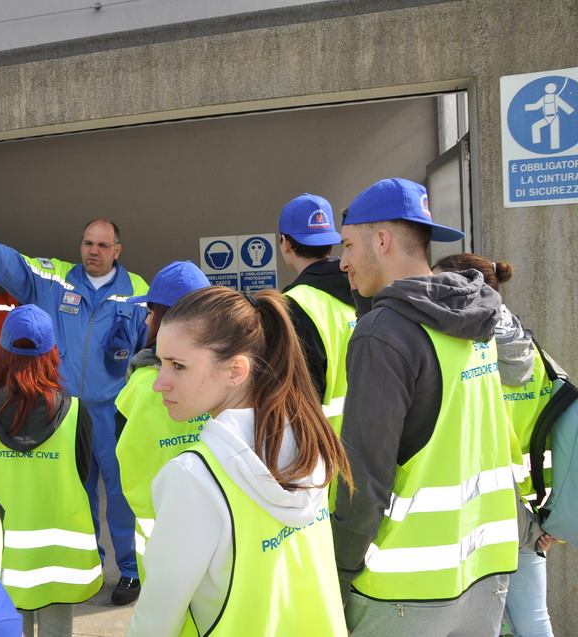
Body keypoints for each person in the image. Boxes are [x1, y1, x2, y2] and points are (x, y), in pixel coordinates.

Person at [333, 178, 519, 636]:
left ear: (382, 240)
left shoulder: (384, 332)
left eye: (348, 245)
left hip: (402, 588)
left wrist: (337, 573)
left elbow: (365, 478)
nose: (342, 261)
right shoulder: (476, 314)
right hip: (484, 570)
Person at [0, 203, 149, 604]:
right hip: (64, 413)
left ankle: (130, 572)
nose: (94, 251)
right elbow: (14, 265)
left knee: (122, 494)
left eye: (103, 245)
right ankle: (89, 564)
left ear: (117, 250)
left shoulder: (137, 290)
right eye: (88, 243)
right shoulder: (55, 279)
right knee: (77, 493)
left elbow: (148, 344)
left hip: (114, 412)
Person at [128, 286, 350, 636]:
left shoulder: (193, 476)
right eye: (161, 363)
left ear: (236, 371)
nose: (159, 384)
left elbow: (157, 618)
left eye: (178, 366)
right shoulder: (312, 443)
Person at [433, 253, 557, 637]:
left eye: (438, 283)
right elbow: (553, 434)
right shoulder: (532, 351)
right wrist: (550, 514)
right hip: (526, 514)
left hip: (475, 512)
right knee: (533, 621)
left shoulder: (464, 351)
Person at [0, 304, 99, 637]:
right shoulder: (75, 412)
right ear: (52, 355)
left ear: (1, 355)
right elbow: (83, 474)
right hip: (60, 561)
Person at [114, 260, 210, 579]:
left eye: (151, 311)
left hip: (160, 525)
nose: (146, 318)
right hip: (220, 523)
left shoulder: (142, 385)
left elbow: (125, 456)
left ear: (167, 318)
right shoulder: (228, 376)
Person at [278, 193, 356, 431]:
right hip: (371, 442)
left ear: (285, 243)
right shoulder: (364, 289)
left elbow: (293, 398)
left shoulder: (292, 305)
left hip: (322, 446)